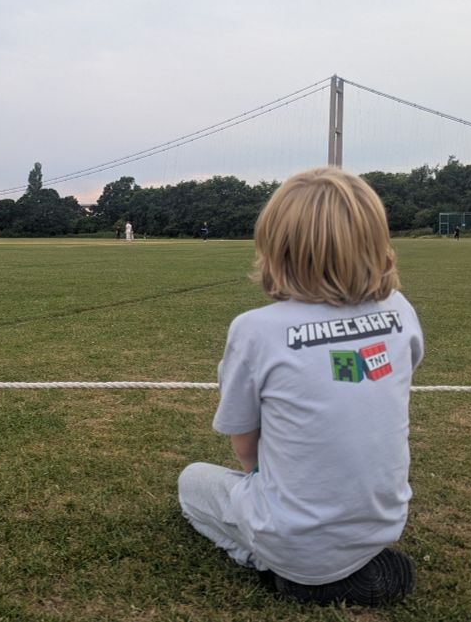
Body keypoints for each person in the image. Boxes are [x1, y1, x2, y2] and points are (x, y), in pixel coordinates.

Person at [178, 167, 423, 607]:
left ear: (277, 248)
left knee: (192, 481)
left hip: (291, 540)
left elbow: (245, 448)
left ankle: (285, 568)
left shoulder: (255, 329)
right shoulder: (400, 310)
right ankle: (340, 560)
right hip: (384, 523)